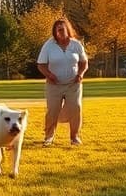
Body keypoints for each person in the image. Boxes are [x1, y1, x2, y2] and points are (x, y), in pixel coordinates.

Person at [37, 18, 89, 147]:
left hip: (73, 84)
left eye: (62, 29)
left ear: (67, 30)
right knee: (52, 110)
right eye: (57, 30)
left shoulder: (76, 44)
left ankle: (74, 137)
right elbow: (41, 65)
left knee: (75, 108)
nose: (59, 32)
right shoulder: (49, 45)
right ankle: (49, 137)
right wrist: (49, 75)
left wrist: (80, 74)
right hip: (54, 85)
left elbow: (84, 63)